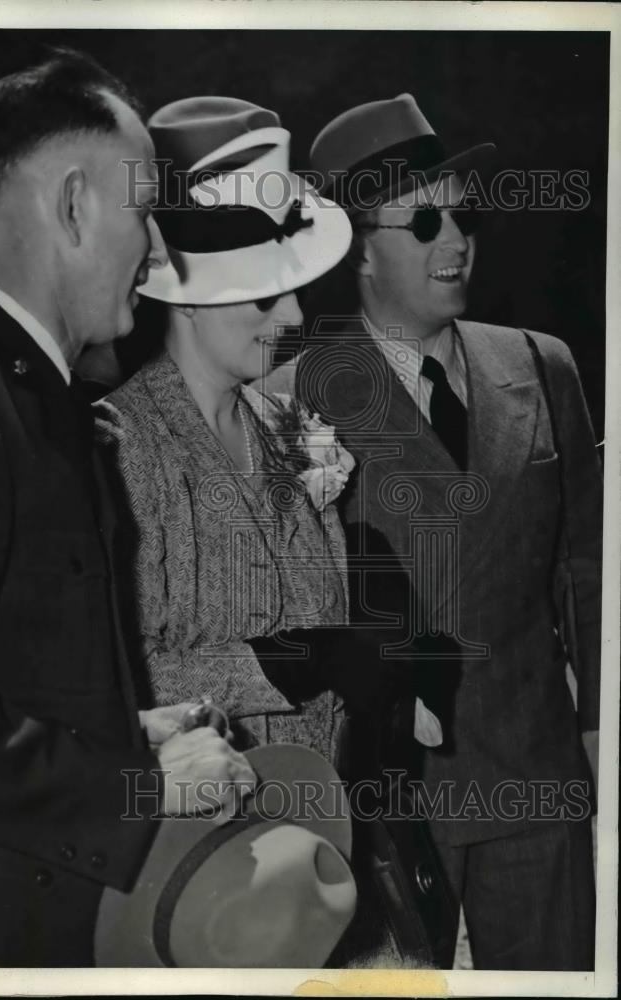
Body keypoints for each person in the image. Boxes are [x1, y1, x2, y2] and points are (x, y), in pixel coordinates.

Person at [0, 51, 255, 969]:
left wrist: (128, 727)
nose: (159, 253)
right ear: (76, 205)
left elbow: (2, 667)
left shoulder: (16, 388)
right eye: (145, 214)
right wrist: (133, 781)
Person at [282, 93, 602, 970]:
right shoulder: (296, 396)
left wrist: (601, 729)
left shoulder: (541, 363)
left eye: (464, 215)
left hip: (539, 783)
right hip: (388, 801)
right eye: (423, 221)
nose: (455, 240)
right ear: (357, 249)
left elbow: (589, 566)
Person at [96, 96, 355, 762]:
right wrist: (282, 667)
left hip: (323, 825)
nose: (295, 314)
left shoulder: (287, 426)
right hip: (210, 836)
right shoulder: (118, 446)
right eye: (267, 295)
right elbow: (113, 673)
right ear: (187, 300)